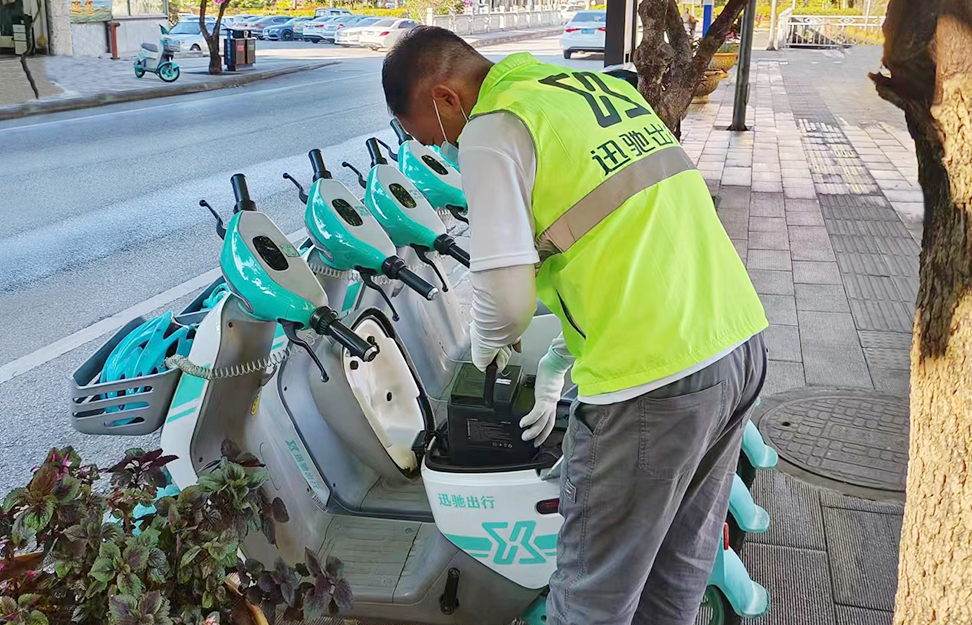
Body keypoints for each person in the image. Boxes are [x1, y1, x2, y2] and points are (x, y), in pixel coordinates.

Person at [382, 27, 768, 625]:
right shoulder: (583, 87)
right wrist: (560, 365)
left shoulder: (491, 127)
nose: (444, 151)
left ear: (447, 98)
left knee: (590, 595)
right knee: (675, 574)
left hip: (652, 380)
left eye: (434, 138)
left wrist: (488, 353)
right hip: (735, 342)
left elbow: (504, 301)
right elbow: (625, 243)